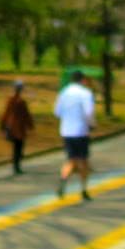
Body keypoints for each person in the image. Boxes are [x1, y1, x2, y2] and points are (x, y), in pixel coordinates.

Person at [54, 69, 96, 201]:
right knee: (83, 160)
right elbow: (89, 112)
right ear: (82, 80)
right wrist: (92, 124)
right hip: (81, 131)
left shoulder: (63, 93)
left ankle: (63, 180)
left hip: (66, 131)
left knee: (71, 159)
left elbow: (57, 112)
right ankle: (84, 190)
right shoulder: (86, 93)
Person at [0, 80, 34, 174]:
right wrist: (30, 125)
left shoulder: (10, 100)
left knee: (16, 147)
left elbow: (5, 113)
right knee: (19, 148)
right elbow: (26, 115)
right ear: (21, 89)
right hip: (19, 128)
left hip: (11, 127)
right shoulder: (21, 102)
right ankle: (16, 166)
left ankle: (16, 165)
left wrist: (2, 125)